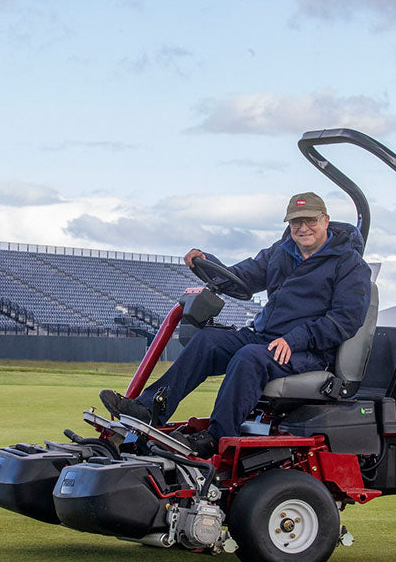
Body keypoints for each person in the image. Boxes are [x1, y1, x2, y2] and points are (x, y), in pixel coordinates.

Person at [100, 192, 372, 457]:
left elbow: (345, 320)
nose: (303, 228)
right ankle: (150, 410)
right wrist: (207, 263)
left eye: (310, 221)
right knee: (208, 340)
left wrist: (296, 339)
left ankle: (218, 437)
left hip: (308, 350)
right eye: (295, 222)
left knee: (250, 357)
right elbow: (242, 279)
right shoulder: (281, 251)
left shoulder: (349, 264)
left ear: (325, 220)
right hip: (266, 337)